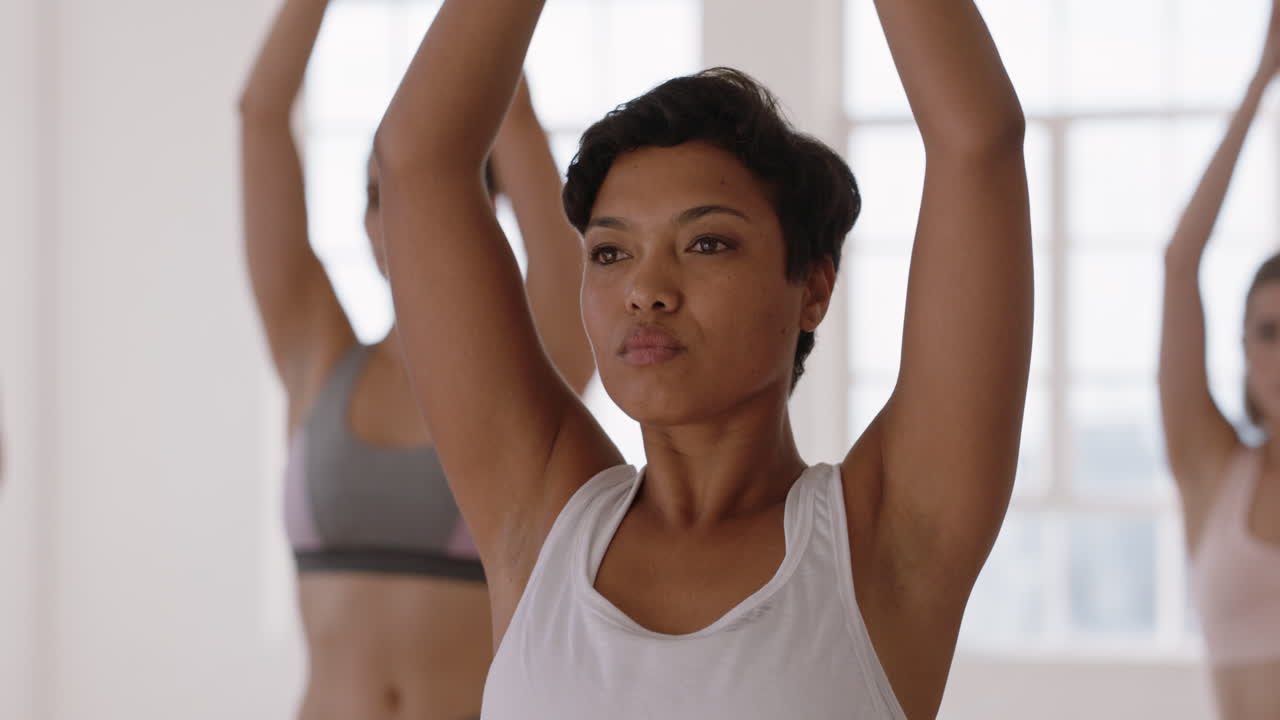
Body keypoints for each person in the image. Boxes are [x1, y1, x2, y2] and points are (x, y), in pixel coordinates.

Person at [373, 0, 1031, 717]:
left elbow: (979, 141)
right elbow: (416, 164)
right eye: (612, 252)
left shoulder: (889, 542)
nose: (645, 291)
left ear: (812, 287)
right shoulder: (540, 521)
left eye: (707, 243)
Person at [237, 1, 593, 717]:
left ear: (476, 209)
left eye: (411, 189)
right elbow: (261, 115)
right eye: (376, 194)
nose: (392, 213)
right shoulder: (318, 354)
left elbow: (512, 122)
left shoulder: (535, 369)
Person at [1159, 3, 1280, 717]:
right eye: (1269, 331)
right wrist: (1262, 75)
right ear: (1241, 348)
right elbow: (1180, 264)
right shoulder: (1212, 467)